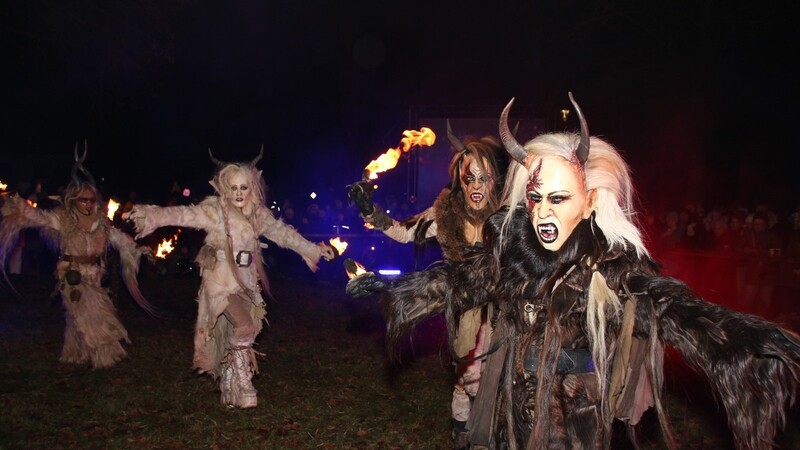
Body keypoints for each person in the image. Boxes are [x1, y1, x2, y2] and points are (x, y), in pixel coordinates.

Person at [346, 93, 800, 449]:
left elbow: (668, 305)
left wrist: (736, 338)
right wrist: (395, 291)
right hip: (515, 401)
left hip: (575, 410)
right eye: (536, 198)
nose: (542, 212)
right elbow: (460, 278)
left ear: (590, 202)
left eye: (558, 199)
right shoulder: (516, 251)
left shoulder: (610, 263)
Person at [123, 149, 335, 409]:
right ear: (224, 187)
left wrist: (313, 250)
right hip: (221, 281)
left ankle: (230, 379)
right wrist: (151, 215)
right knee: (245, 327)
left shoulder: (258, 214)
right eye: (232, 187)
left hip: (247, 281)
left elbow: (282, 233)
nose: (238, 193)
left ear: (252, 187)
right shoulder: (215, 211)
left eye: (243, 187)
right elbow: (182, 215)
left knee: (247, 330)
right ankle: (243, 382)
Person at [348, 123, 504, 448]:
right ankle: (462, 428)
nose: (476, 186)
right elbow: (405, 232)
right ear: (459, 179)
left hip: (504, 309)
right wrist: (371, 212)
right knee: (468, 372)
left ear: (494, 180)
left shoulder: (508, 214)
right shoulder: (445, 212)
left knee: (501, 374)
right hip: (463, 302)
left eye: (483, 177)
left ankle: (494, 432)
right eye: (469, 177)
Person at [0, 147, 159, 369]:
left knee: (78, 318)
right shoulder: (63, 220)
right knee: (94, 312)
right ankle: (105, 357)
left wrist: (140, 250)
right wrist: (17, 205)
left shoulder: (101, 223)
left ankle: (75, 353)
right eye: (83, 200)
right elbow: (39, 218)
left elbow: (121, 239)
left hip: (95, 276)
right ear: (74, 200)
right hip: (72, 275)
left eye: (91, 200)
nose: (87, 204)